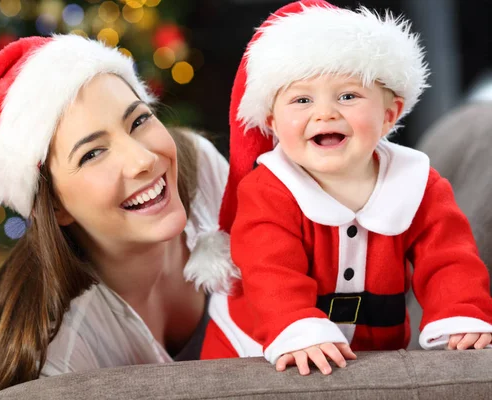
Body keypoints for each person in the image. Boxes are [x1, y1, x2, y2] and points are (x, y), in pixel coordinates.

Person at [0, 34, 237, 400]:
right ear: (55, 206)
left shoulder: (200, 172)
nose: (143, 160)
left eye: (138, 121)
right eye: (92, 154)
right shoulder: (55, 355)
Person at [200, 0, 492, 376]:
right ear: (272, 122)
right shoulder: (268, 189)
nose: (324, 113)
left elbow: (449, 259)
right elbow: (269, 269)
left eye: (348, 96)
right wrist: (296, 325)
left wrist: (460, 313)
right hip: (256, 343)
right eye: (302, 100)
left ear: (389, 115)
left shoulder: (418, 183)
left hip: (372, 345)